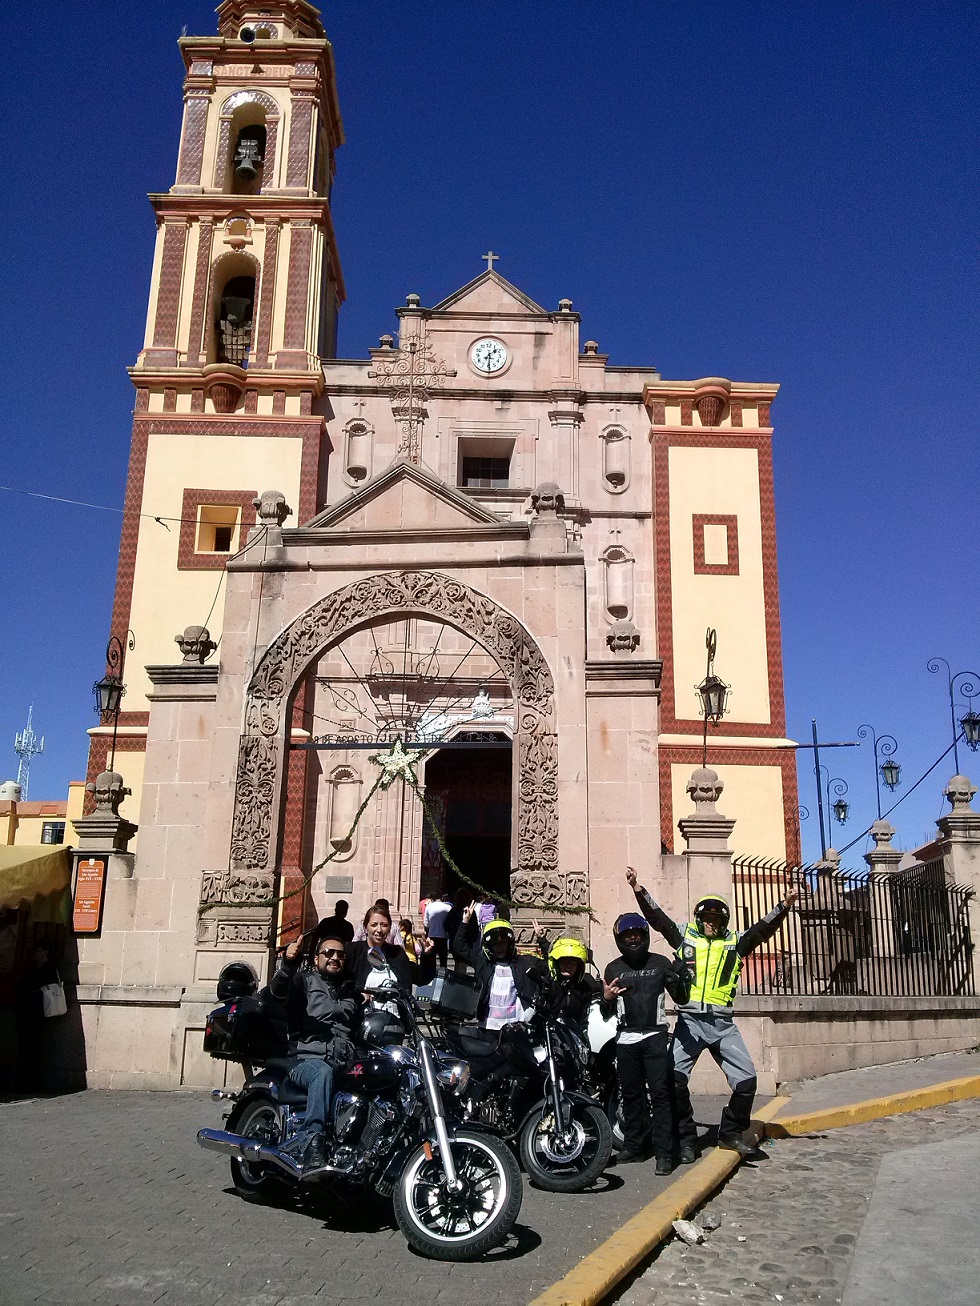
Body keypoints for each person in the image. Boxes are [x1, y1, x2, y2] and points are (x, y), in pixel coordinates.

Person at [626, 867, 799, 1161]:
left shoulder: (735, 942)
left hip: (722, 1024)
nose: (711, 923)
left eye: (716, 919)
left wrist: (784, 905)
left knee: (747, 1081)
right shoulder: (684, 936)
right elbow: (658, 919)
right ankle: (686, 1140)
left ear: (724, 922)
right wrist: (638, 888)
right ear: (698, 918)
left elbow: (762, 929)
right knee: (674, 1080)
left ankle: (730, 1133)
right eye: (706, 918)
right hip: (690, 1023)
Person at [600, 913, 691, 1174]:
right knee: (630, 1094)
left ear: (646, 937)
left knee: (660, 1095)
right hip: (626, 1038)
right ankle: (634, 1146)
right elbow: (606, 1013)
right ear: (619, 939)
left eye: (637, 935)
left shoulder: (661, 963)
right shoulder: (613, 969)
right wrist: (606, 999)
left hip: (654, 1036)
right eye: (628, 936)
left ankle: (664, 1153)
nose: (633, 940)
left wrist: (682, 979)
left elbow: (681, 998)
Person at [266, 932, 359, 1172]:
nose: (335, 957)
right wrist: (288, 964)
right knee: (322, 1072)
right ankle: (312, 1144)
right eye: (328, 953)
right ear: (316, 958)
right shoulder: (302, 982)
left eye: (340, 954)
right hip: (306, 1060)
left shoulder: (350, 991)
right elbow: (277, 992)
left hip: (342, 1062)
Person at [453, 907, 547, 1030]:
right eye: (495, 944)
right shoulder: (483, 963)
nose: (500, 948)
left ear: (509, 943)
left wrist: (542, 941)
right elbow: (460, 948)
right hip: (488, 1025)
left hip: (516, 1027)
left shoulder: (524, 962)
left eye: (503, 943)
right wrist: (465, 922)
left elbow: (548, 966)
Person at [346, 905, 437, 1001]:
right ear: (365, 927)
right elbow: (343, 983)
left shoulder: (397, 954)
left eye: (384, 925)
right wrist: (358, 994)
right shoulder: (353, 951)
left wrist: (427, 954)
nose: (379, 930)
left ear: (390, 928)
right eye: (374, 925)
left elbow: (421, 978)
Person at [14, 942, 62, 1093]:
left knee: (32, 1048)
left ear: (45, 952)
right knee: (24, 1047)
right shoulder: (33, 968)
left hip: (37, 1013)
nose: (34, 953)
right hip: (27, 1013)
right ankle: (23, 1081)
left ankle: (29, 1081)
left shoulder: (48, 969)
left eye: (38, 950)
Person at [543, 934, 601, 1031]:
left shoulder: (584, 987)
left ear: (579, 965)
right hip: (547, 1034)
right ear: (557, 963)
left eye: (573, 961)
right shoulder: (547, 985)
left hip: (573, 1035)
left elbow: (584, 1019)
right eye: (564, 961)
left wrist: (607, 999)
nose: (568, 965)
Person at [423, 893, 454, 968]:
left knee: (431, 959)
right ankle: (443, 973)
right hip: (443, 936)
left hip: (432, 935)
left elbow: (426, 923)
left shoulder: (429, 907)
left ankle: (432, 973)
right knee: (443, 960)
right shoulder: (448, 907)